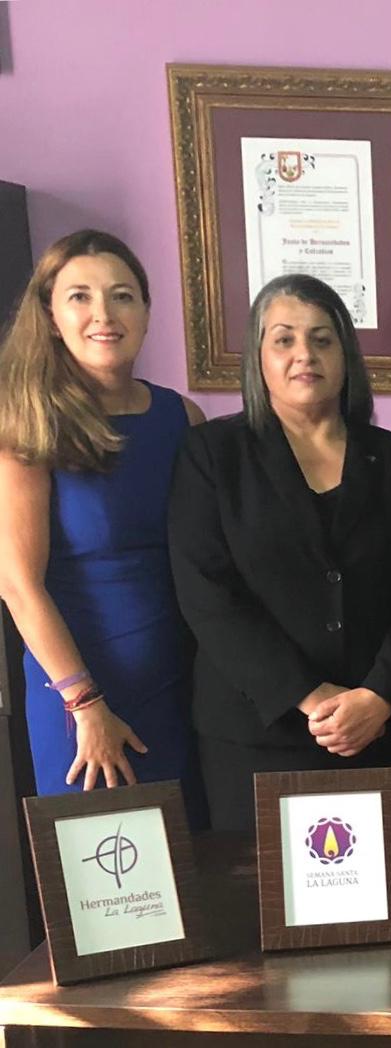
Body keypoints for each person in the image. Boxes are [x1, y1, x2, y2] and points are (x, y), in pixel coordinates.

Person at [168, 274, 391, 831]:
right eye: (284, 339)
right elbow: (208, 595)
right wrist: (310, 696)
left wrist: (379, 696)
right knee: (258, 889)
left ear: (346, 355)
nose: (305, 354)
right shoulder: (212, 455)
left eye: (322, 339)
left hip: (382, 729)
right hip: (257, 733)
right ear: (258, 356)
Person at [0, 230, 207, 823]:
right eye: (80, 297)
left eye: (122, 296)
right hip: (80, 701)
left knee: (193, 863)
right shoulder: (29, 422)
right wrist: (85, 704)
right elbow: (17, 584)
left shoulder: (181, 416)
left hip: (182, 689)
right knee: (103, 871)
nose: (104, 315)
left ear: (145, 310)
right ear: (51, 315)